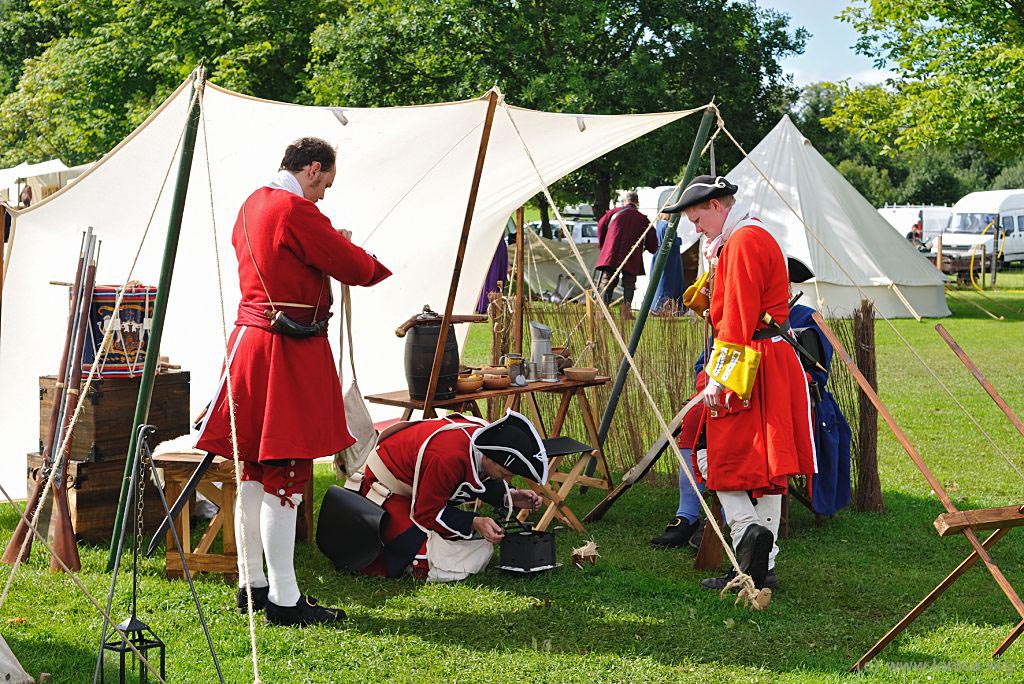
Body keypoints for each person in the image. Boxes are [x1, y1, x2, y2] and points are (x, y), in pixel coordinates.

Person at [195, 137, 392, 626]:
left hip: (249, 346)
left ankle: (253, 584)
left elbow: (287, 261)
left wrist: (327, 244)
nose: (323, 194)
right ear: (312, 169)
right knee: (283, 474)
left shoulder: (252, 203)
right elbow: (357, 269)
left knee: (252, 473)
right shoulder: (296, 210)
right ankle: (284, 600)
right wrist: (346, 247)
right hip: (283, 354)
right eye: (324, 183)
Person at [661, 175, 816, 592]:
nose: (696, 227)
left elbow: (739, 317)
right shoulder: (741, 238)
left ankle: (748, 537)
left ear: (717, 205)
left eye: (697, 217)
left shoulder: (744, 241)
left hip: (751, 362)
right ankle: (761, 564)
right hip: (761, 359)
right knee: (765, 466)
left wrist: (716, 375)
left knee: (713, 452)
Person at [347, 411, 546, 579]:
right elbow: (426, 514)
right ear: (488, 456)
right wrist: (473, 522)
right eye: (505, 475)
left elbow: (481, 474)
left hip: (419, 487)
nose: (508, 480)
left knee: (467, 548)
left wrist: (509, 496)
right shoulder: (447, 458)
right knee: (425, 562)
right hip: (386, 486)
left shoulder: (486, 440)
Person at [596, 190, 657, 311]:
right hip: (631, 256)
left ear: (625, 201)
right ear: (637, 202)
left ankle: (603, 312)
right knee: (629, 283)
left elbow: (600, 227)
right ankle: (626, 313)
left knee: (607, 281)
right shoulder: (642, 219)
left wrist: (604, 246)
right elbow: (652, 241)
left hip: (612, 253)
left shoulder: (612, 213)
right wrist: (650, 248)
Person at [651, 211, 684, 314]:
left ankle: (658, 306)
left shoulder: (659, 224)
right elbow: (672, 240)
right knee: (667, 283)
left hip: (660, 255)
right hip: (669, 258)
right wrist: (679, 240)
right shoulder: (667, 225)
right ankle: (662, 308)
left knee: (660, 281)